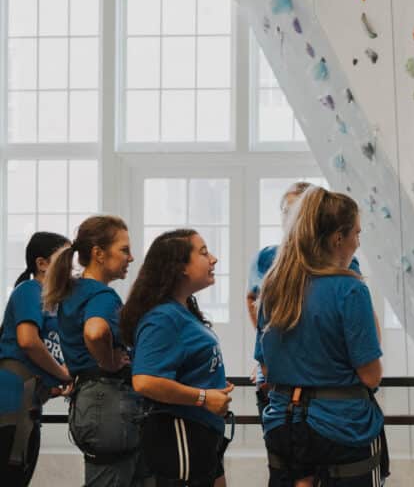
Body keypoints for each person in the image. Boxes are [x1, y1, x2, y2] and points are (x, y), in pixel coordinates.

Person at [257, 186, 388, 486]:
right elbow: (370, 375)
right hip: (342, 428)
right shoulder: (349, 289)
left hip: (283, 425)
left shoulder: (273, 286)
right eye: (356, 233)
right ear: (337, 238)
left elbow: (265, 368)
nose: (358, 242)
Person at [121, 229, 234, 487]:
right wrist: (204, 397)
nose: (214, 259)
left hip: (203, 432)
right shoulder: (163, 318)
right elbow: (145, 381)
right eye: (204, 253)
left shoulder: (184, 310)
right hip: (180, 431)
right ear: (179, 267)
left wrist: (213, 389)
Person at [43, 215, 150, 486]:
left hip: (92, 402)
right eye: (124, 250)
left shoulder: (75, 290)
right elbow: (95, 331)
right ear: (99, 254)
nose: (131, 257)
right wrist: (110, 361)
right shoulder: (101, 295)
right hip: (107, 400)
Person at [247, 181, 362, 413]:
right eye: (286, 211)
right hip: (280, 382)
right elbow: (253, 301)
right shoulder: (267, 258)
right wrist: (271, 354)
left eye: (298, 210)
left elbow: (355, 323)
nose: (291, 217)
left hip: (327, 382)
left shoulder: (346, 264)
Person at [0, 232, 72, 486]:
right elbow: (28, 341)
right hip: (11, 406)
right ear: (42, 264)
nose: (71, 267)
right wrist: (63, 374)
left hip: (29, 404)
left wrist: (53, 384)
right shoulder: (30, 290)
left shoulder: (52, 303)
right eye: (65, 260)